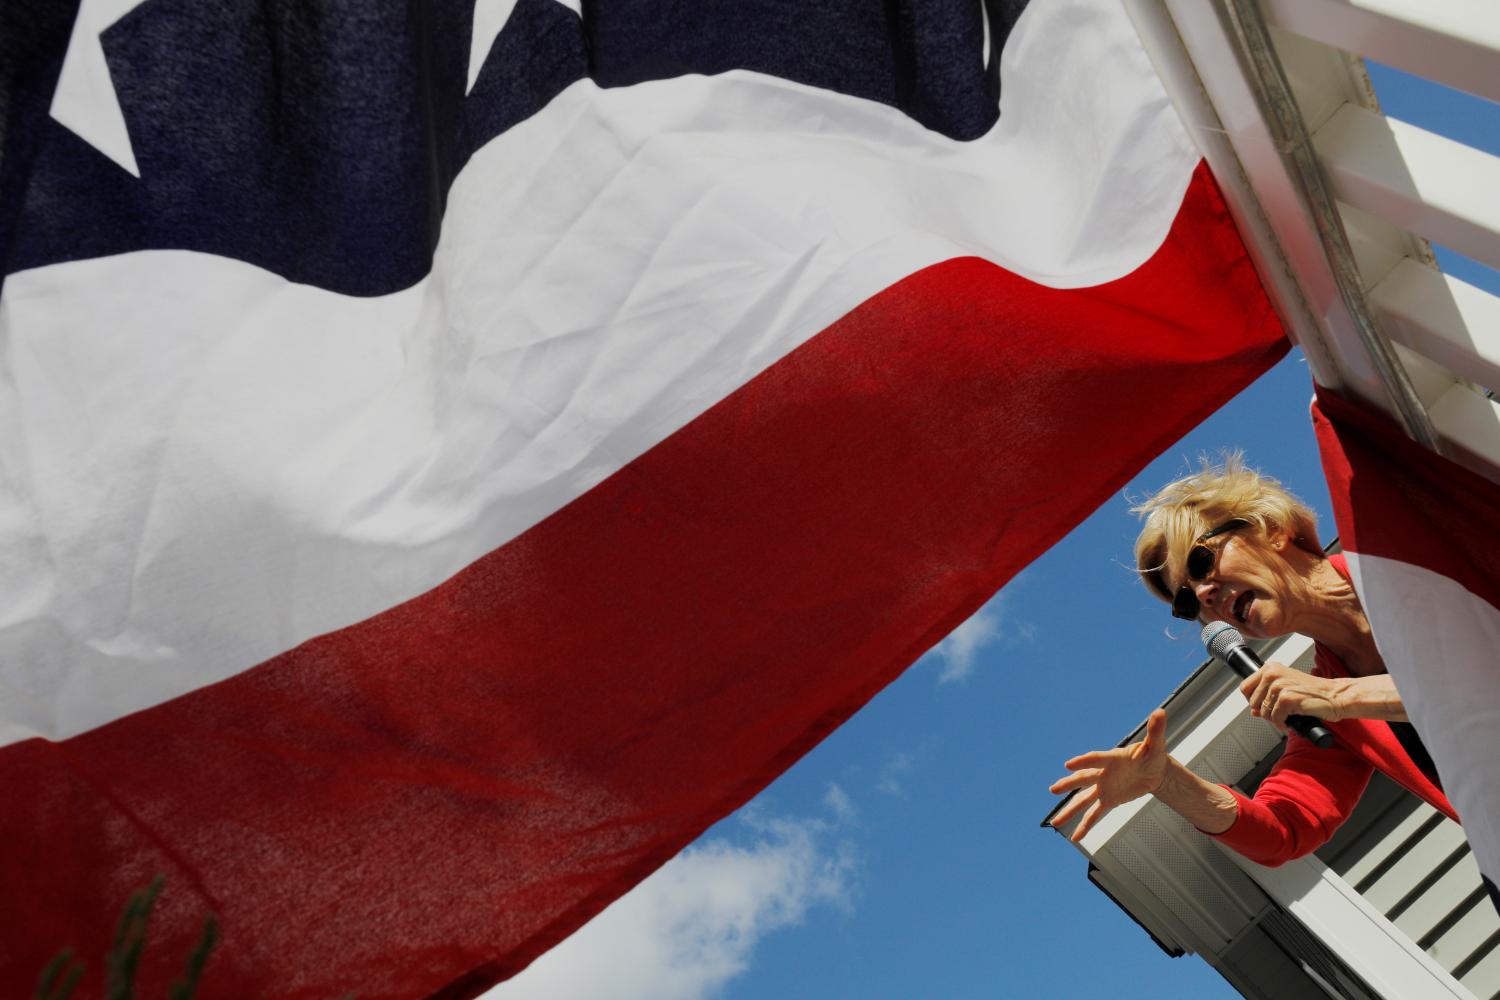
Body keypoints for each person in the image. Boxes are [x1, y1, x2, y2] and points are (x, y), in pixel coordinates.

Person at [1048, 456, 1454, 865]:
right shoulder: (1329, 708)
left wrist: (1341, 695)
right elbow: (1284, 832)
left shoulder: (1418, 555)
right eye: (1187, 601)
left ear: (1272, 530)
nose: (1204, 594)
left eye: (1200, 561)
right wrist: (1169, 782)